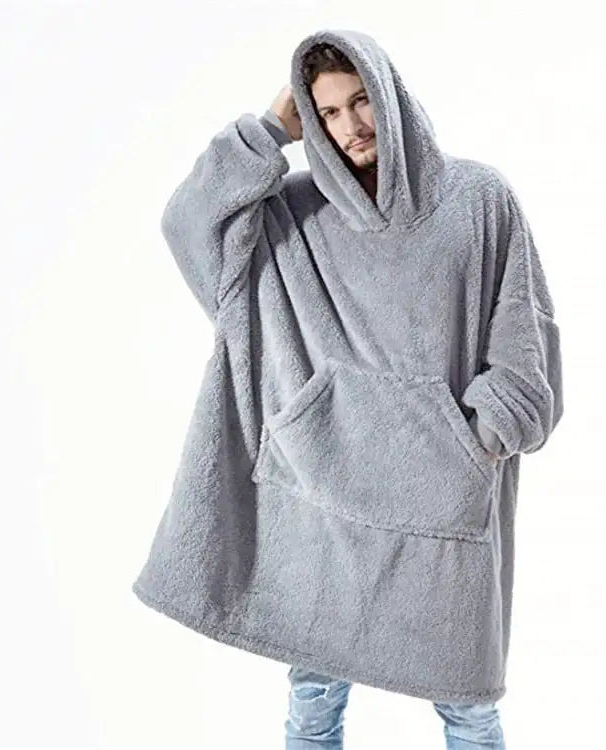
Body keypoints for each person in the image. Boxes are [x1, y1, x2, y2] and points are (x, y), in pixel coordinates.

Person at [132, 29, 563, 750]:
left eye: (361, 102)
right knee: (314, 702)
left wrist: (477, 440)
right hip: (324, 501)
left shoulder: (478, 200)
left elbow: (524, 338)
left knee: (467, 706)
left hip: (442, 506)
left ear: (391, 101)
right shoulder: (291, 214)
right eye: (327, 112)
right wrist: (268, 131)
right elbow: (188, 225)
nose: (351, 126)